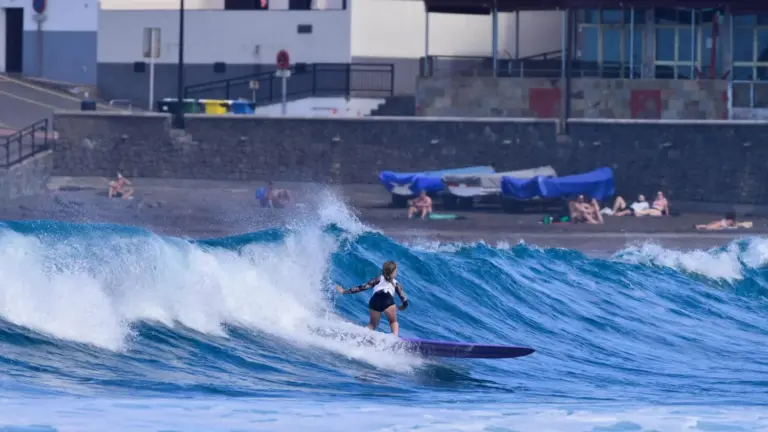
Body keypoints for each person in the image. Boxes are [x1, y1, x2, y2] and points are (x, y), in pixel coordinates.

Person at [335, 261, 409, 337]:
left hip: (375, 300)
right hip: (387, 299)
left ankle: (360, 336)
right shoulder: (395, 283)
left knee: (372, 324)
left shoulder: (378, 279)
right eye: (396, 271)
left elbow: (361, 287)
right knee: (393, 321)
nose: (397, 272)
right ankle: (394, 339)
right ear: (393, 272)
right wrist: (404, 306)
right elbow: (403, 297)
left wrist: (344, 291)